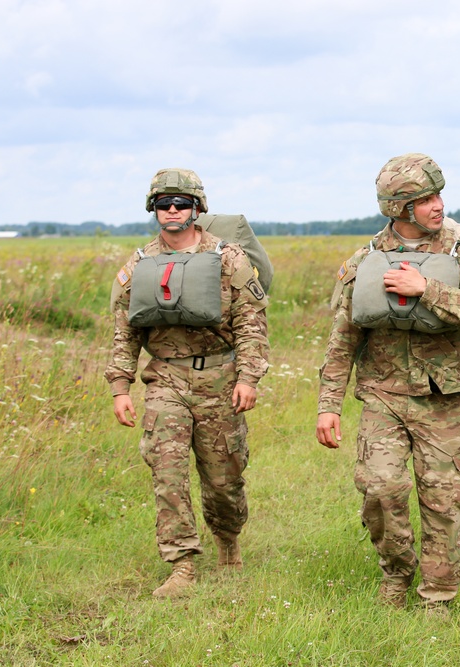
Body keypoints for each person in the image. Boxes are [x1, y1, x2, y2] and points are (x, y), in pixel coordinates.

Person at [315, 153, 460, 617]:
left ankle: (437, 596)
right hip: (383, 396)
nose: (437, 206)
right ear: (399, 209)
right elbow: (343, 338)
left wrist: (428, 288)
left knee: (445, 498)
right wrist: (329, 405)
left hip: (443, 399)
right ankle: (397, 573)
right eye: (424, 200)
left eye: (438, 195)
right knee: (380, 489)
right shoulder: (365, 261)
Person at [105, 168, 270, 598]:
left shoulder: (228, 258)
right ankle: (181, 565)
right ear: (154, 210)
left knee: (224, 479)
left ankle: (228, 540)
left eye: (181, 203)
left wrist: (249, 377)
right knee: (167, 468)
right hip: (165, 378)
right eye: (164, 204)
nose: (172, 211)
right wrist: (120, 386)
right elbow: (125, 330)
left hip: (219, 377)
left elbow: (251, 323)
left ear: (197, 208)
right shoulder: (141, 264)